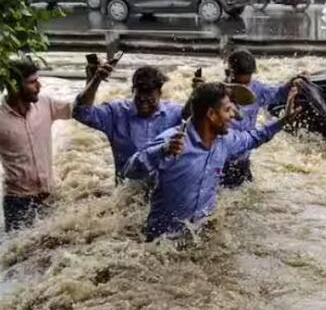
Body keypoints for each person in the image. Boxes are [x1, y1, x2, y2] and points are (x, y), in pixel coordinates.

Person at [123, 82, 301, 241]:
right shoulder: (174, 140)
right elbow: (130, 170)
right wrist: (162, 151)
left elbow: (253, 137)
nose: (233, 115)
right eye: (227, 110)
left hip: (199, 238)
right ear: (211, 114)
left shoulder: (225, 141)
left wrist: (282, 121)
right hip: (161, 243)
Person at [73, 64, 187, 182]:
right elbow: (81, 113)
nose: (144, 105)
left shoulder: (175, 113)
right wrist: (95, 80)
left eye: (150, 100)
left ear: (160, 93)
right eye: (139, 99)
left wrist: (196, 93)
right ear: (133, 91)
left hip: (163, 191)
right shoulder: (116, 113)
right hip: (127, 192)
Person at [0, 59, 74, 232]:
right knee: (18, 255)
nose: (39, 86)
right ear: (14, 85)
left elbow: (78, 108)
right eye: (32, 82)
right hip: (17, 202)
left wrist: (94, 80)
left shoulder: (45, 104)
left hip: (48, 196)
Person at [217, 49, 303, 187]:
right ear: (229, 74)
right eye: (240, 85)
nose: (244, 90)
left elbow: (277, 94)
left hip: (244, 157)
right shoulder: (217, 94)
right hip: (221, 161)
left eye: (247, 83)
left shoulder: (256, 89)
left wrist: (291, 84)